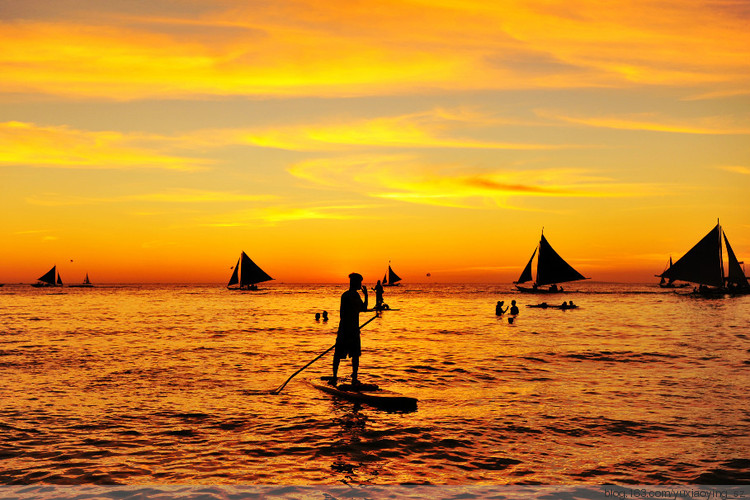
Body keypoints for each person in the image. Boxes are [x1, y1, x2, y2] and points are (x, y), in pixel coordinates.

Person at [332, 273, 368, 386]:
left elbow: (363, 308)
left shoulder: (357, 296)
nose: (361, 284)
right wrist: (346, 329)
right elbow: (343, 314)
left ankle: (354, 377)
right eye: (359, 282)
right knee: (338, 354)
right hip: (345, 330)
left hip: (354, 330)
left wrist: (366, 295)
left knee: (355, 354)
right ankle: (334, 376)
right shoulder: (346, 296)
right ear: (354, 282)